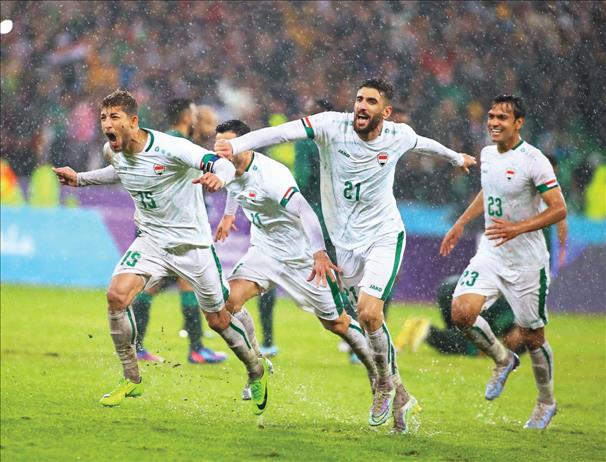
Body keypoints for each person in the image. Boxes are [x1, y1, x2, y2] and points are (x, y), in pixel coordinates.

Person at [214, 78, 476, 429]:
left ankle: (384, 385)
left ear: (385, 111)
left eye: (371, 101)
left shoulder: (397, 135)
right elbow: (281, 133)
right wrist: (235, 147)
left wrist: (456, 158)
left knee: (368, 313)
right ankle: (397, 391)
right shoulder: (331, 125)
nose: (361, 106)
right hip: (344, 242)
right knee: (356, 320)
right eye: (358, 99)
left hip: (383, 235)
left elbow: (425, 145)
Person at [52, 89, 270, 415]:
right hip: (152, 240)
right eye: (103, 117)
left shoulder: (170, 147)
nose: (107, 124)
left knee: (218, 319)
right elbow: (120, 171)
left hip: (192, 245)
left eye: (114, 117)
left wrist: (219, 179)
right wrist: (80, 179)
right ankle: (131, 377)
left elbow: (219, 164)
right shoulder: (112, 151)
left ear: (133, 121)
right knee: (116, 296)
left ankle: (255, 369)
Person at [213, 120, 386, 419]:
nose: (223, 155)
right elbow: (234, 185)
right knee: (226, 304)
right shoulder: (227, 166)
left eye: (229, 148)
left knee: (337, 323)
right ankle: (257, 365)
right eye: (220, 148)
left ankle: (379, 377)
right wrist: (229, 215)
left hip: (301, 257)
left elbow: (305, 210)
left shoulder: (272, 175)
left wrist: (319, 253)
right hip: (264, 252)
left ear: (246, 144)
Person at [440, 95, 567, 430]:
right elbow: (489, 191)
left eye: (502, 118)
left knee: (533, 336)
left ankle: (546, 402)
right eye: (492, 117)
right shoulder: (486, 154)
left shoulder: (534, 160)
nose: (494, 123)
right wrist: (461, 222)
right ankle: (502, 359)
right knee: (461, 313)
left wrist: (517, 227)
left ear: (518, 123)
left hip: (527, 261)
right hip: (492, 252)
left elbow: (559, 208)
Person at [131, 98, 227, 365]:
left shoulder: (163, 141)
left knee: (153, 286)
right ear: (188, 118)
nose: (206, 123)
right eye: (199, 116)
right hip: (174, 230)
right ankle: (195, 348)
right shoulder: (181, 145)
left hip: (158, 227)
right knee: (179, 284)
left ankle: (138, 346)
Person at [395, 275, 525, 356]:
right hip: (458, 294)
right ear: (520, 334)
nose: (507, 344)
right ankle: (425, 329)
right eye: (514, 344)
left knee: (454, 337)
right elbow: (478, 338)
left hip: (453, 287)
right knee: (460, 345)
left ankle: (416, 328)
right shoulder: (507, 318)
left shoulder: (511, 314)